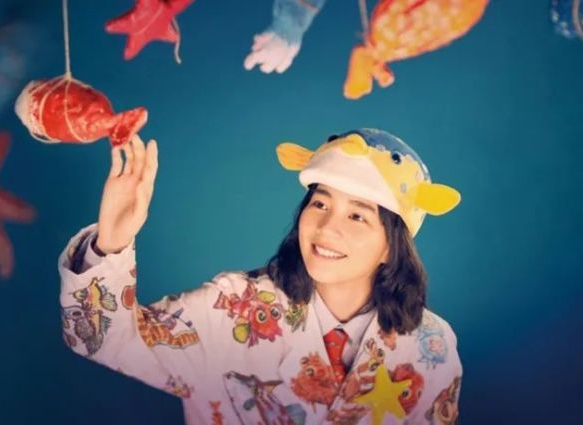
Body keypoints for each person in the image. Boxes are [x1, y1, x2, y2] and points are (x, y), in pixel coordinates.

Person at [57, 128, 463, 425]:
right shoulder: (232, 307)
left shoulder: (431, 346)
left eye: (357, 215)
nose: (327, 228)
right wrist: (111, 243)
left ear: (392, 245)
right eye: (320, 204)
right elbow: (102, 340)